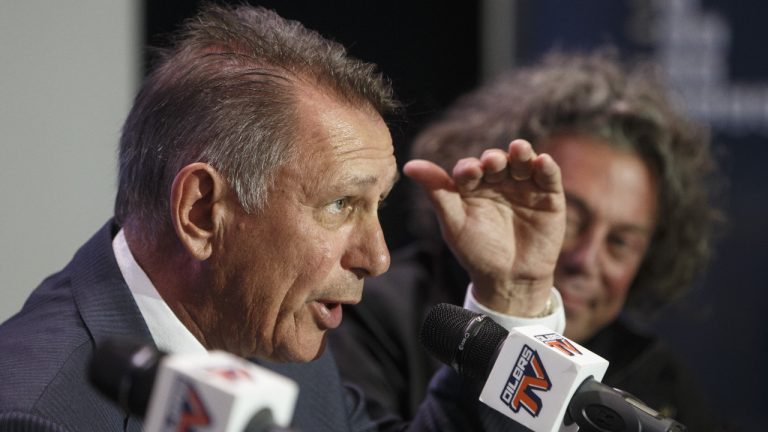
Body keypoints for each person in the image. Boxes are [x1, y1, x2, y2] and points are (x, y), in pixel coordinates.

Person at [0, 4, 569, 431]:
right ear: (202, 212)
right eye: (341, 205)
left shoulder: (269, 338)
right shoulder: (36, 410)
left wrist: (514, 294)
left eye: (377, 207)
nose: (377, 258)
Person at [330, 50, 724, 430]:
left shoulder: (657, 378)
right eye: (569, 220)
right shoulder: (375, 316)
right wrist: (513, 298)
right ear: (497, 188)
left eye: (620, 242)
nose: (586, 259)